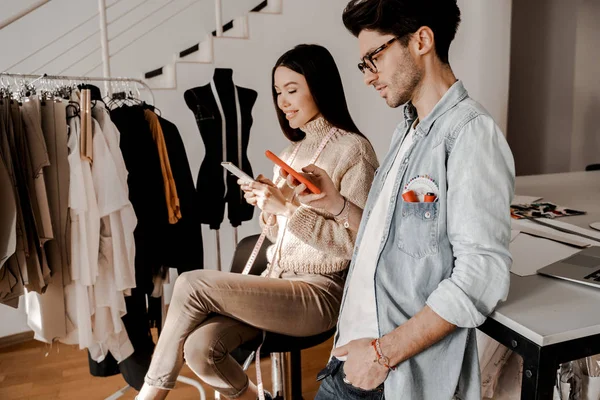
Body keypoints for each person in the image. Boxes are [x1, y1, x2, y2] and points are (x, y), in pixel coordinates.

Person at [289, 1, 515, 399]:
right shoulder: (407, 132)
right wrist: (336, 205)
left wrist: (381, 355)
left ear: (422, 41)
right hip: (349, 359)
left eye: (373, 58)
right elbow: (392, 244)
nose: (367, 77)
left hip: (392, 375)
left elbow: (481, 275)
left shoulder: (471, 135)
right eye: (363, 65)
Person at [136, 44, 379, 400]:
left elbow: (353, 245)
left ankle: (149, 395)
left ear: (320, 86)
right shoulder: (289, 153)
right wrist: (267, 206)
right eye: (278, 92)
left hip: (321, 292)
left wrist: (285, 210)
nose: (283, 101)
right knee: (200, 350)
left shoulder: (353, 151)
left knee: (190, 283)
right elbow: (281, 233)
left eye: (292, 90)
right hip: (278, 281)